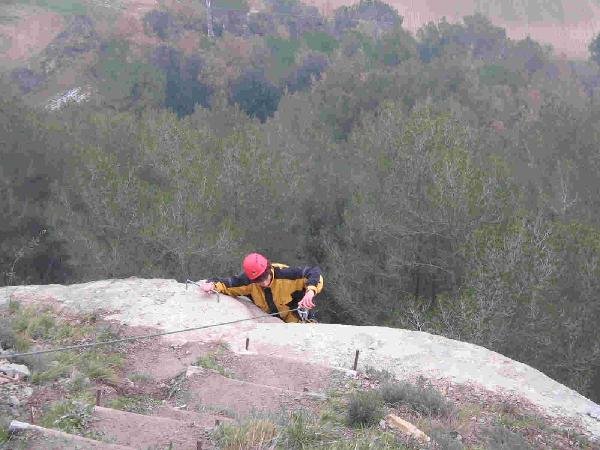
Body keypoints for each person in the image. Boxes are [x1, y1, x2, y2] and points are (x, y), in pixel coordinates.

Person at [199, 252, 323, 323]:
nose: (263, 283)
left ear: (269, 268)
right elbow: (227, 283)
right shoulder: (248, 281)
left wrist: (310, 291)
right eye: (258, 281)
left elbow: (313, 272)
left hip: (297, 313)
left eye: (265, 278)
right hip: (274, 322)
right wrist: (211, 285)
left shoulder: (286, 274)